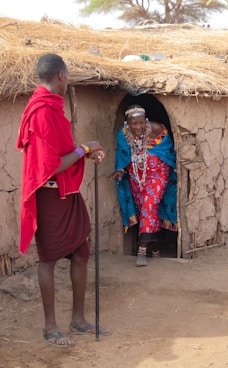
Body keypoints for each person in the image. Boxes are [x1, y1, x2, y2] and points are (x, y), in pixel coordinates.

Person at [16, 53, 110, 348]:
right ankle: (50, 327)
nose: (67, 81)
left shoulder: (51, 108)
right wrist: (86, 147)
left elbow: (64, 154)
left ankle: (78, 319)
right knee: (49, 258)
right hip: (49, 195)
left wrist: (86, 153)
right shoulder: (42, 112)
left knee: (81, 250)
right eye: (67, 77)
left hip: (67, 193)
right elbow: (51, 166)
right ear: (60, 76)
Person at [109, 104, 177, 267]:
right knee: (147, 211)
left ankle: (141, 250)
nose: (138, 127)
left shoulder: (156, 129)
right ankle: (155, 247)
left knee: (149, 205)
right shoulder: (123, 134)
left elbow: (167, 149)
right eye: (134, 124)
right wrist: (120, 169)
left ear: (145, 121)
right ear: (127, 123)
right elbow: (122, 153)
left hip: (158, 174)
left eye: (141, 123)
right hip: (136, 177)